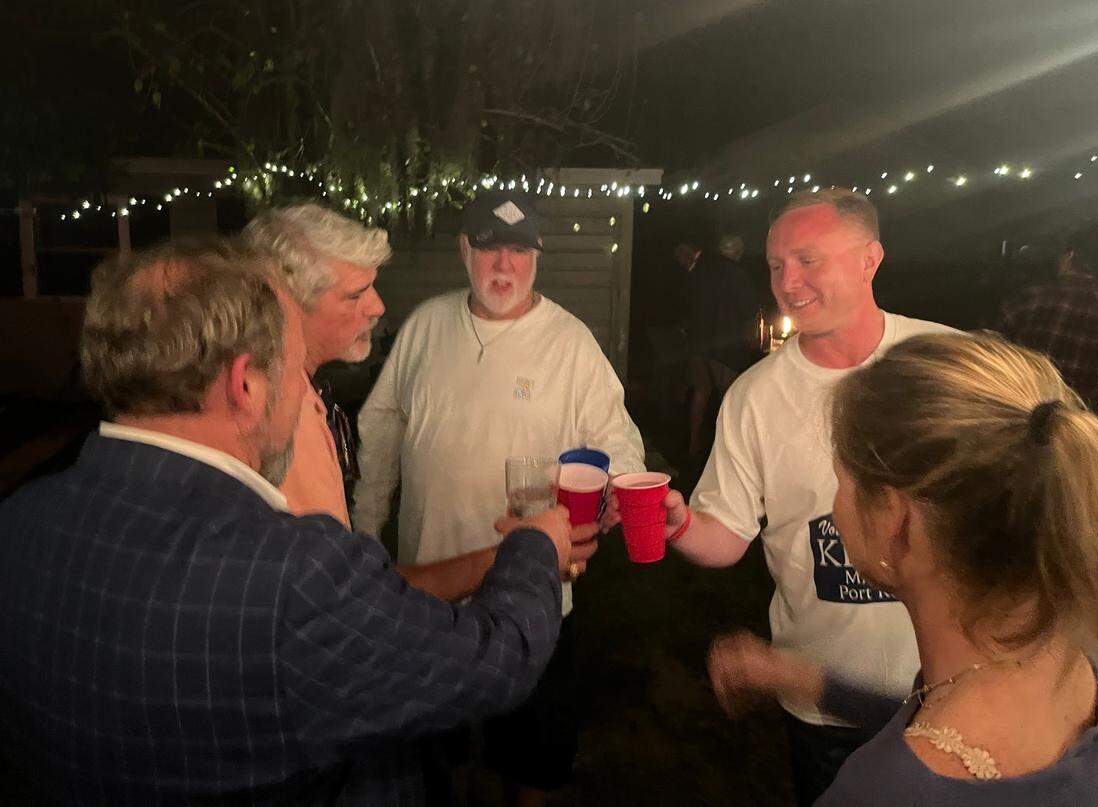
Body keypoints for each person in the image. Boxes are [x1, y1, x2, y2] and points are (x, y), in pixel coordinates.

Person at [0, 240, 573, 805]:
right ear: (246, 384)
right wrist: (535, 545)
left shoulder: (21, 519)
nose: (306, 394)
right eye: (295, 370)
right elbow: (500, 662)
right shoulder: (290, 575)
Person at [604, 188, 955, 806]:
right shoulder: (756, 396)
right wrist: (678, 525)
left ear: (871, 259)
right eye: (774, 264)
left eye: (808, 260)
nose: (787, 282)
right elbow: (728, 536)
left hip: (958, 689)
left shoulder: (945, 364)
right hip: (822, 702)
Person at [707, 332, 1098, 805]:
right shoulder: (1077, 657)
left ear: (896, 522)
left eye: (842, 478)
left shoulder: (877, 792)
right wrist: (802, 679)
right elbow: (946, 703)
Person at [355, 191, 646, 805]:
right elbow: (381, 426)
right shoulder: (426, 326)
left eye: (520, 250)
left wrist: (613, 499)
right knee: (435, 753)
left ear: (537, 258)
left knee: (530, 755)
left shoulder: (570, 342)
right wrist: (363, 526)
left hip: (533, 590)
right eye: (490, 248)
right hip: (430, 585)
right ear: (465, 251)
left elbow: (617, 444)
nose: (504, 267)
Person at [242, 204, 391, 527]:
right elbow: (323, 571)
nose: (377, 306)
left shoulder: (295, 387)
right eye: (355, 295)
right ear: (287, 302)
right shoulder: (278, 412)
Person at [997, 233, 1098, 416]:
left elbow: (990, 345)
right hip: (1081, 429)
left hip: (1016, 412)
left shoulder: (1035, 298)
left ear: (1069, 256)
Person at [684, 233, 761, 457]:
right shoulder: (739, 276)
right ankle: (723, 451)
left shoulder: (699, 272)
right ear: (738, 253)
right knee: (729, 397)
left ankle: (693, 443)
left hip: (698, 344)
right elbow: (749, 311)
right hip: (725, 348)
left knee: (701, 392)